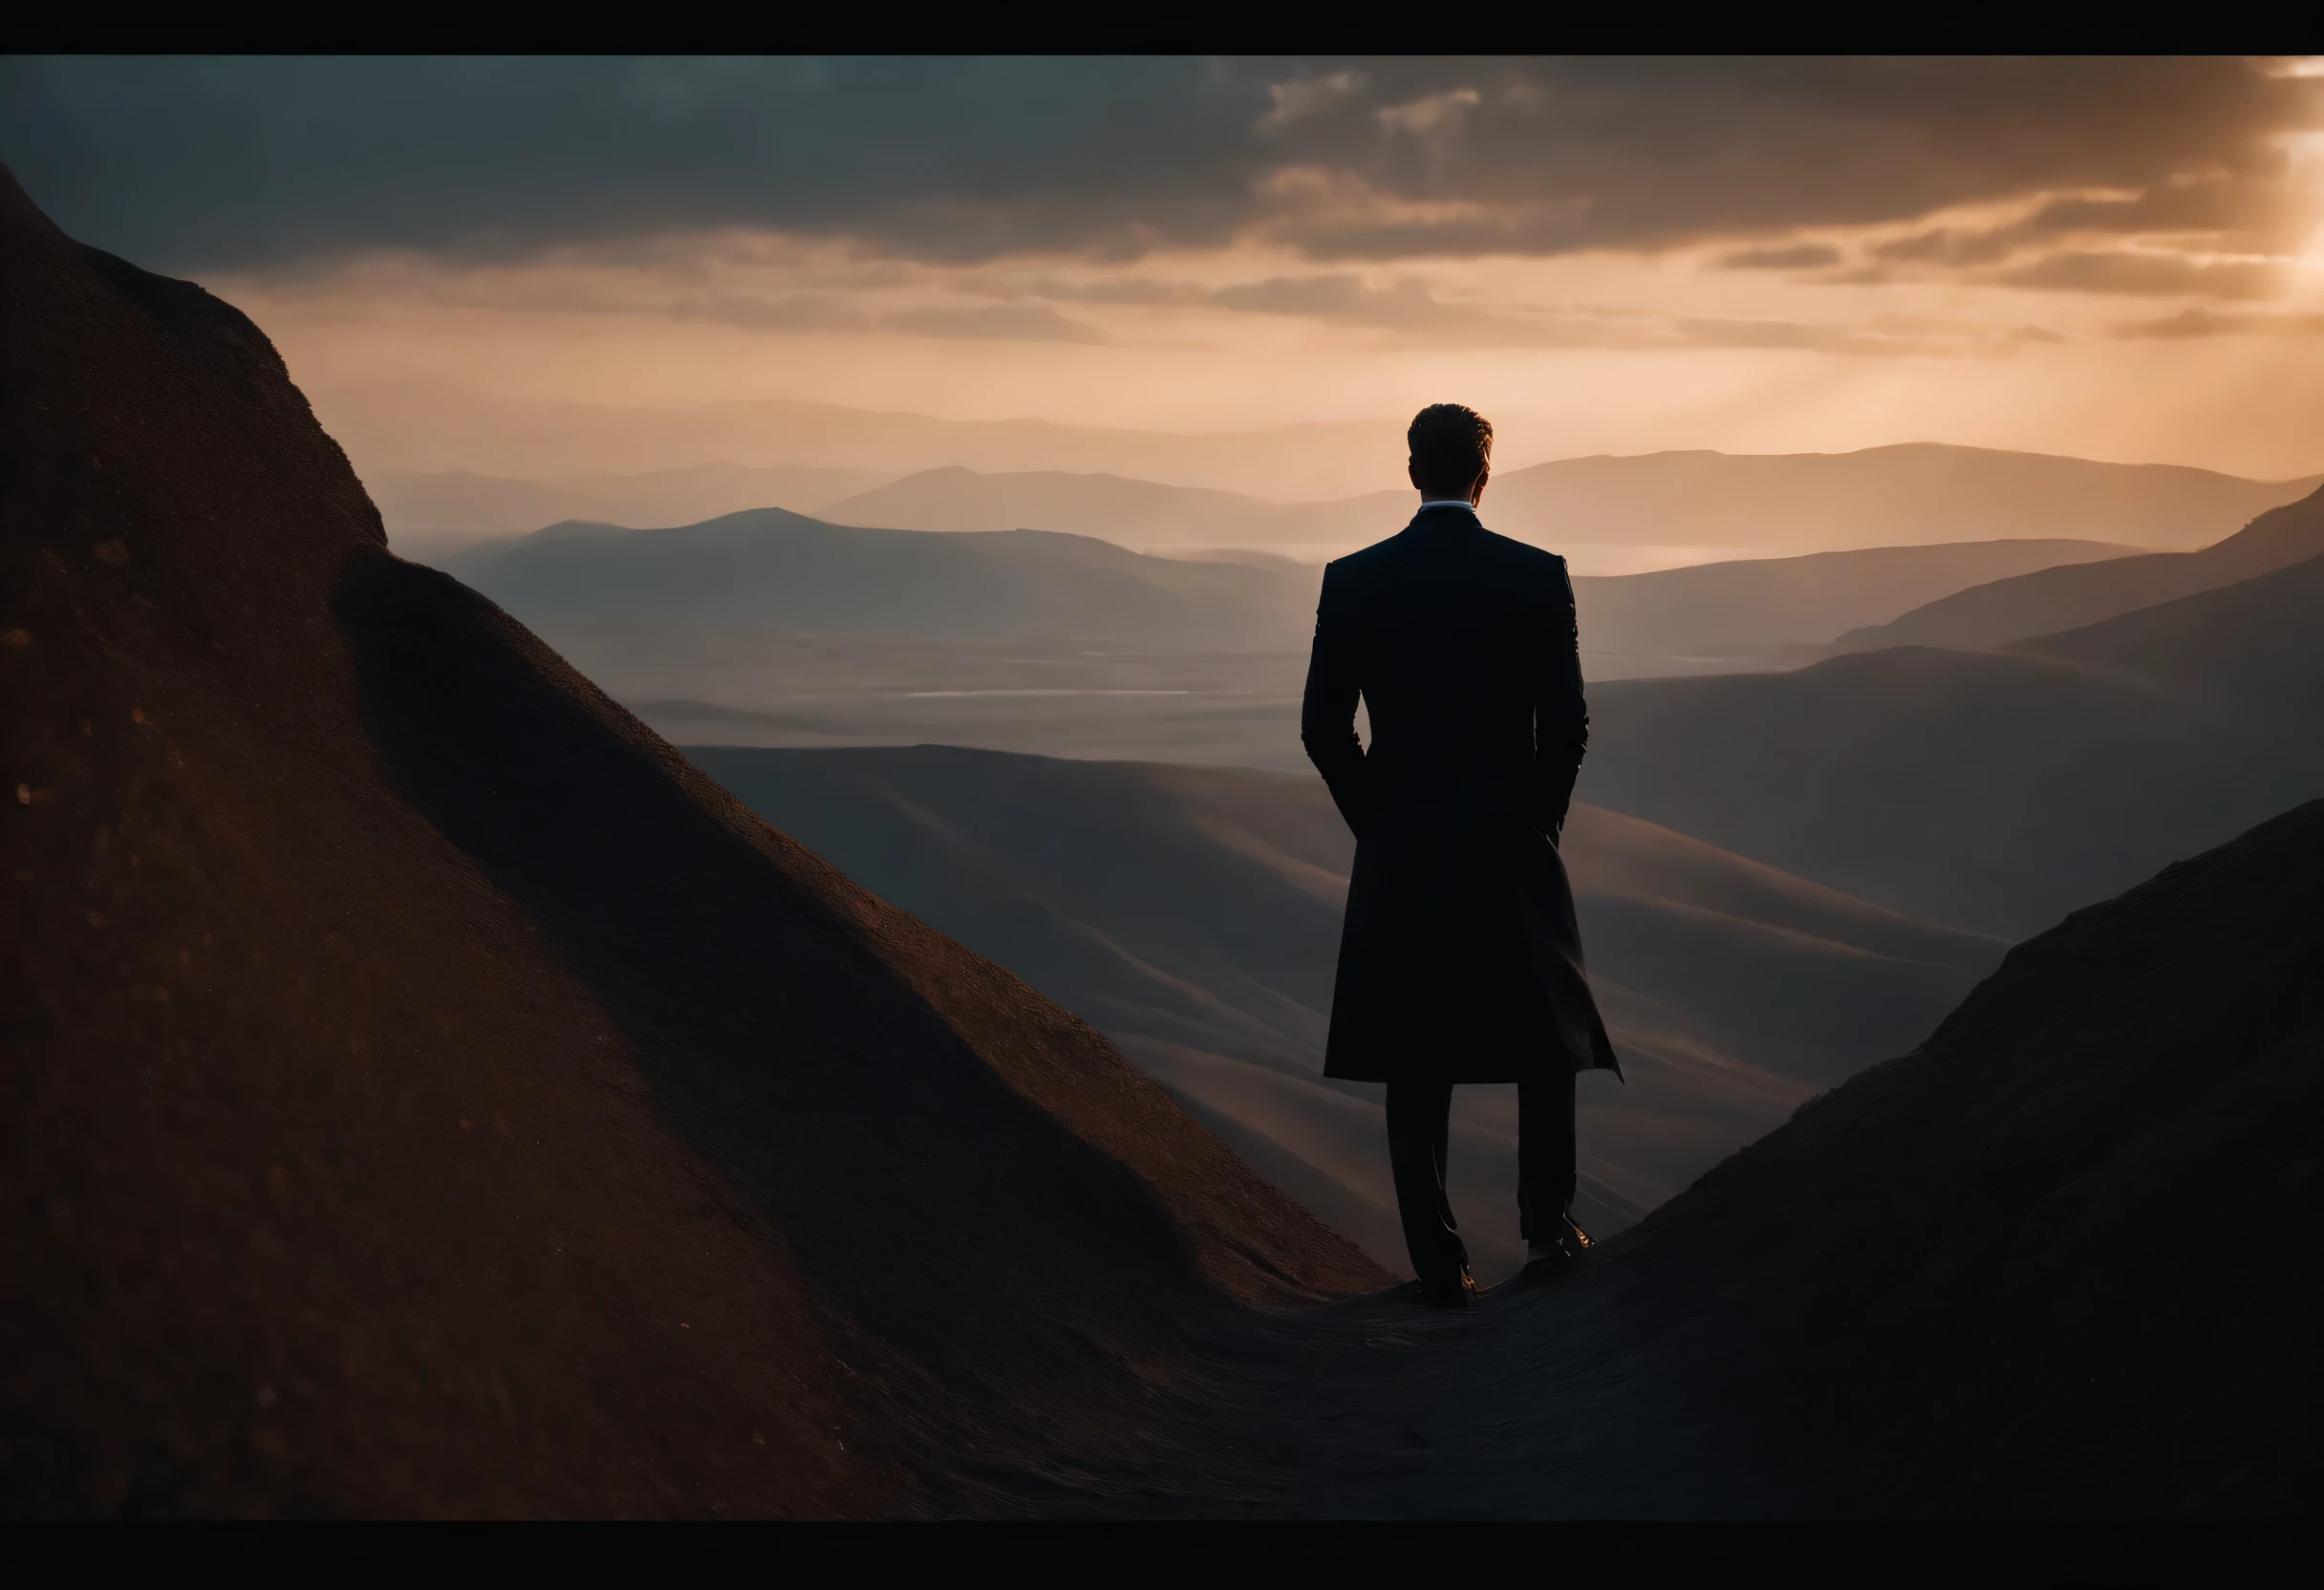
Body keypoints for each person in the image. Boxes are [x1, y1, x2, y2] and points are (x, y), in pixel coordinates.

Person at [1301, 402, 1621, 1309]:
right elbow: (1567, 725)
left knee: (1415, 1039)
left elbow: (1322, 728)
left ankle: (1439, 1264)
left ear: (1412, 471)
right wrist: (1539, 824)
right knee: (1543, 1029)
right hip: (1508, 831)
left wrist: (1379, 822)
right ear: (1487, 474)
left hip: (1405, 836)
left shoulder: (1354, 579)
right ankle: (1546, 1225)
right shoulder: (1534, 576)